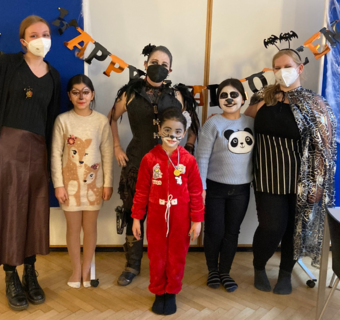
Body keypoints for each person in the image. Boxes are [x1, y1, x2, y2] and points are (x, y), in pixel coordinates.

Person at [0, 15, 61, 310]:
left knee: (33, 213)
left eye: (46, 33)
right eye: (34, 35)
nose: (41, 39)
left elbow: (49, 122)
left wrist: (51, 161)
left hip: (38, 152)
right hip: (5, 151)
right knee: (8, 212)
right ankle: (11, 275)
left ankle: (30, 272)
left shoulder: (54, 75)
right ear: (23, 41)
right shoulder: (6, 66)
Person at [245, 49, 336, 294]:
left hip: (300, 179)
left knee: (296, 229)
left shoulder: (314, 103)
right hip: (267, 176)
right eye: (277, 67)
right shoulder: (263, 99)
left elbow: (324, 146)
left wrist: (317, 184)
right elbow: (241, 126)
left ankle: (285, 273)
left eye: (287, 65)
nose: (281, 71)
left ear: (299, 68)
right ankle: (259, 266)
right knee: (271, 226)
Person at [109, 44, 200, 286]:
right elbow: (112, 117)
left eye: (163, 63)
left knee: (168, 215)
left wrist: (188, 149)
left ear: (170, 69)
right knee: (133, 213)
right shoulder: (129, 93)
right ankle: (132, 264)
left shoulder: (178, 96)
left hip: (171, 167)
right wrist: (116, 146)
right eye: (154, 61)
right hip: (138, 161)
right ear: (145, 64)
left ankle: (166, 265)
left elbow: (192, 124)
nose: (158, 66)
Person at [132, 107, 204, 315]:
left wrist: (196, 220)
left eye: (178, 132)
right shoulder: (149, 158)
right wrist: (137, 218)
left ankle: (171, 291)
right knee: (157, 256)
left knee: (176, 256)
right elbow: (141, 191)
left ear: (184, 133)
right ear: (159, 129)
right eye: (167, 130)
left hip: (181, 217)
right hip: (156, 216)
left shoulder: (188, 160)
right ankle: (158, 292)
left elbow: (196, 192)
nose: (172, 136)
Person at [51, 74, 113, 289]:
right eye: (76, 92)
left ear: (92, 94)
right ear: (69, 95)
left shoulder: (101, 121)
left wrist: (108, 183)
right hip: (68, 186)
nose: (81, 96)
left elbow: (106, 154)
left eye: (85, 92)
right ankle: (76, 269)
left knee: (90, 227)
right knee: (73, 228)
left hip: (94, 185)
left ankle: (87, 269)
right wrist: (58, 184)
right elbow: (56, 155)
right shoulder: (62, 120)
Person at [196, 78, 254, 292]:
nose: (229, 99)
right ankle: (212, 269)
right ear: (218, 100)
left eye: (234, 95)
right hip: (214, 188)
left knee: (232, 232)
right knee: (214, 231)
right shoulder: (212, 123)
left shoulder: (251, 123)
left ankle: (225, 271)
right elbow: (201, 157)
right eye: (223, 95)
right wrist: (201, 188)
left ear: (243, 98)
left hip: (241, 190)